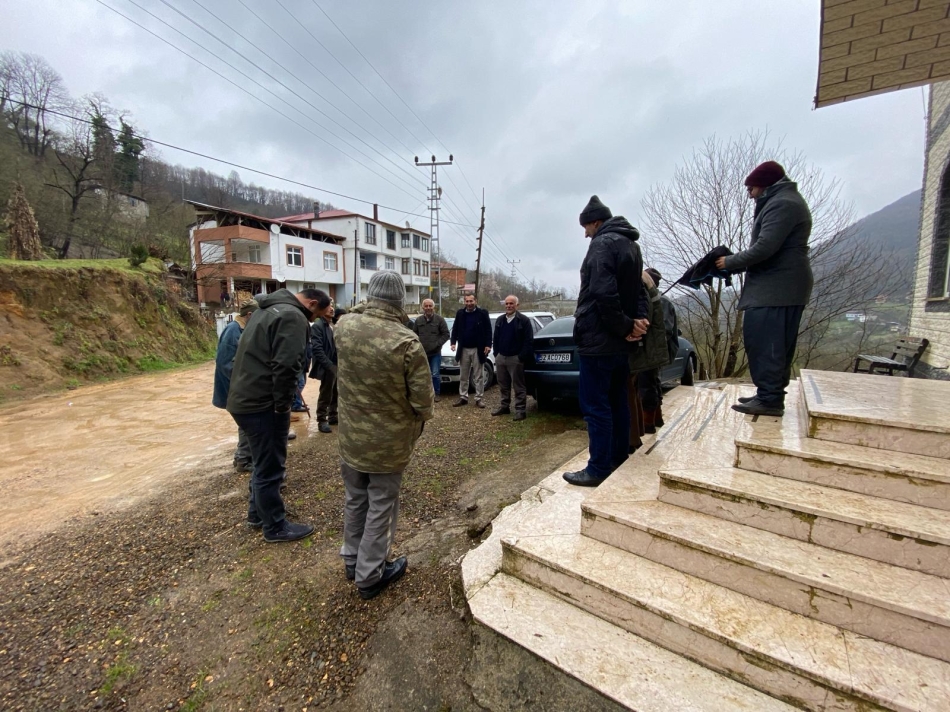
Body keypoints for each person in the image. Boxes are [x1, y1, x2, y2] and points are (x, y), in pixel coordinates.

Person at [335, 271, 434, 599]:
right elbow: (424, 403)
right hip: (388, 444)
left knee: (355, 497)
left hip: (351, 436)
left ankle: (352, 559)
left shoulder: (344, 326)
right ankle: (370, 574)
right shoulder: (406, 341)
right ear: (401, 300)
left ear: (370, 295)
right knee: (381, 504)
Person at [227, 287, 332, 543]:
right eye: (316, 315)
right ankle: (275, 526)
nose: (313, 320)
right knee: (271, 466)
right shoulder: (292, 316)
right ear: (312, 304)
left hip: (244, 399)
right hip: (264, 404)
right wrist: (283, 406)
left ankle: (257, 514)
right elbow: (286, 365)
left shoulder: (265, 310)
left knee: (261, 462)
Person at [563, 195, 649, 487]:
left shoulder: (602, 244)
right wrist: (638, 322)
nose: (585, 234)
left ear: (596, 222)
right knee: (618, 402)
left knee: (595, 406)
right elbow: (640, 291)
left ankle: (598, 468)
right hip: (620, 344)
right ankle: (618, 458)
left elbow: (602, 292)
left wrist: (626, 326)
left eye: (586, 227)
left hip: (598, 341)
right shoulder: (632, 245)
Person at [715, 161, 813, 417]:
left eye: (751, 189)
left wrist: (729, 262)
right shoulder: (785, 201)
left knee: (766, 343)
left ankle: (770, 399)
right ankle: (769, 394)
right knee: (774, 344)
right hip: (781, 286)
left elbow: (765, 248)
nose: (749, 194)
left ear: (764, 185)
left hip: (776, 288)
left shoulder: (782, 204)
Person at [212, 299, 259, 471]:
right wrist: (245, 383)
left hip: (240, 386)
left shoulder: (244, 329)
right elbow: (225, 363)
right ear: (250, 315)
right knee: (247, 423)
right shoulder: (233, 331)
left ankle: (243, 457)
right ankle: (243, 460)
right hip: (234, 388)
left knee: (247, 422)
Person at [491, 295, 534, 421]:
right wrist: (497, 354)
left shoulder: (524, 320)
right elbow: (496, 338)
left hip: (515, 359)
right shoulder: (500, 320)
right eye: (507, 303)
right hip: (501, 357)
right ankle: (504, 407)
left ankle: (520, 410)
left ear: (517, 305)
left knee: (518, 386)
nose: (509, 306)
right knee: (503, 385)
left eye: (511, 303)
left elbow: (528, 341)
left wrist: (521, 357)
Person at [450, 293, 492, 408]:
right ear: (464, 302)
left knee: (479, 376)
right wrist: (453, 342)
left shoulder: (482, 313)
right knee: (463, 375)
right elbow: (455, 328)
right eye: (467, 301)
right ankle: (463, 397)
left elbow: (488, 330)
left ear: (475, 301)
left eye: (471, 301)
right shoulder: (460, 313)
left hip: (478, 349)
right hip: (463, 349)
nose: (469, 303)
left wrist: (488, 345)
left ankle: (479, 398)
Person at [414, 298, 450, 402]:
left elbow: (446, 334)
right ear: (423, 308)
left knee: (435, 374)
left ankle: (436, 394)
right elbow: (414, 334)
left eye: (430, 306)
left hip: (435, 353)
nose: (428, 308)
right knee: (423, 375)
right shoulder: (418, 320)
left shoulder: (440, 320)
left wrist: (437, 344)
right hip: (422, 353)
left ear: (433, 307)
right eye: (426, 306)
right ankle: (425, 394)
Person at [309, 304, 338, 434]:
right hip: (328, 365)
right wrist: (328, 365)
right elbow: (317, 348)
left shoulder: (332, 325)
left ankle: (333, 416)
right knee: (326, 393)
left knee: (336, 392)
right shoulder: (318, 326)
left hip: (336, 364)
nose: (331, 309)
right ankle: (322, 420)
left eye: (332, 306)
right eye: (328, 306)